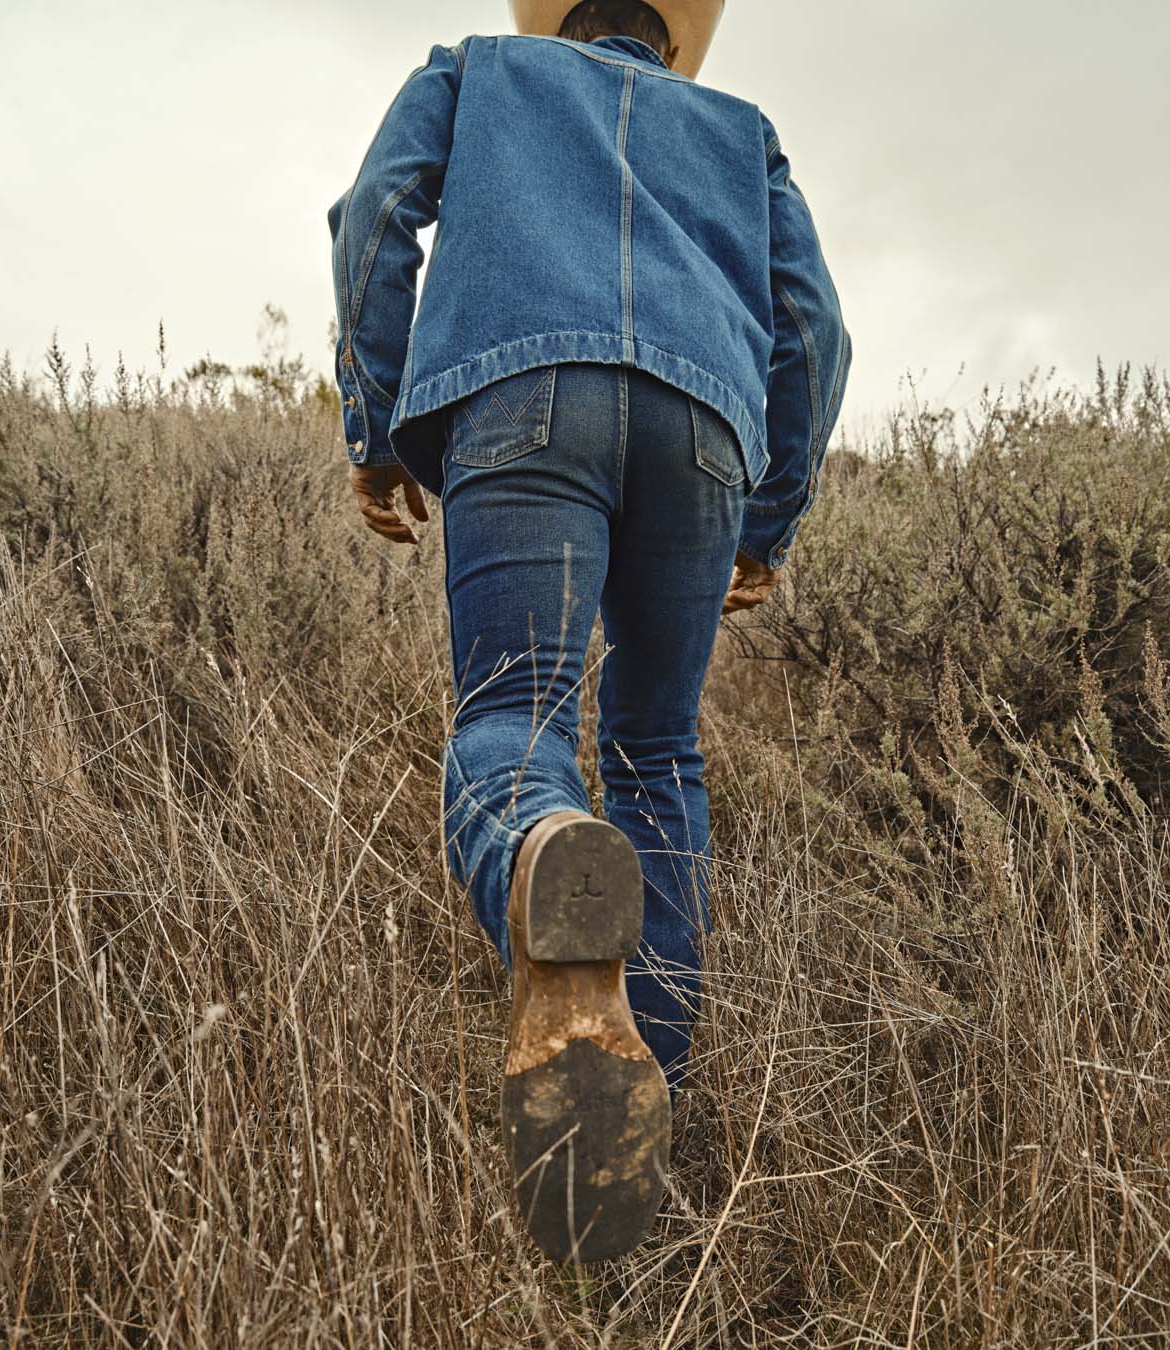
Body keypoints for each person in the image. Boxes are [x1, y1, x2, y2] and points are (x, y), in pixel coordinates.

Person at [327, 0, 849, 1263]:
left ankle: (545, 850)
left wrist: (379, 420)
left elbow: (377, 214)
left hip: (522, 394)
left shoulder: (477, 71)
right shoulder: (745, 133)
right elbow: (814, 329)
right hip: (703, 436)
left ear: (555, 16)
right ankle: (646, 1079)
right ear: (675, 35)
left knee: (516, 714)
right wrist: (765, 523)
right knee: (661, 746)